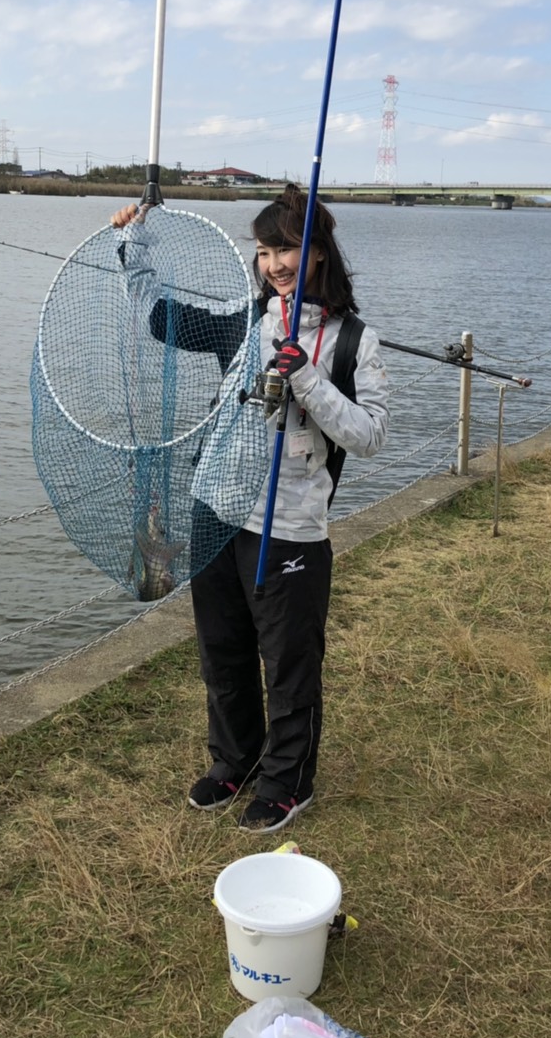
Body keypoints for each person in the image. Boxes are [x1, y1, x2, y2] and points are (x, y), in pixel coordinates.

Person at [111, 185, 389, 832]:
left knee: (289, 664)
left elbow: (371, 435)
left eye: (285, 249)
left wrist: (307, 380)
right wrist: (133, 244)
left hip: (289, 528)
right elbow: (161, 319)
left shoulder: (354, 342)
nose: (273, 264)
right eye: (263, 252)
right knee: (222, 650)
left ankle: (288, 781)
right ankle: (234, 760)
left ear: (318, 253)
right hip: (215, 510)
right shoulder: (245, 322)